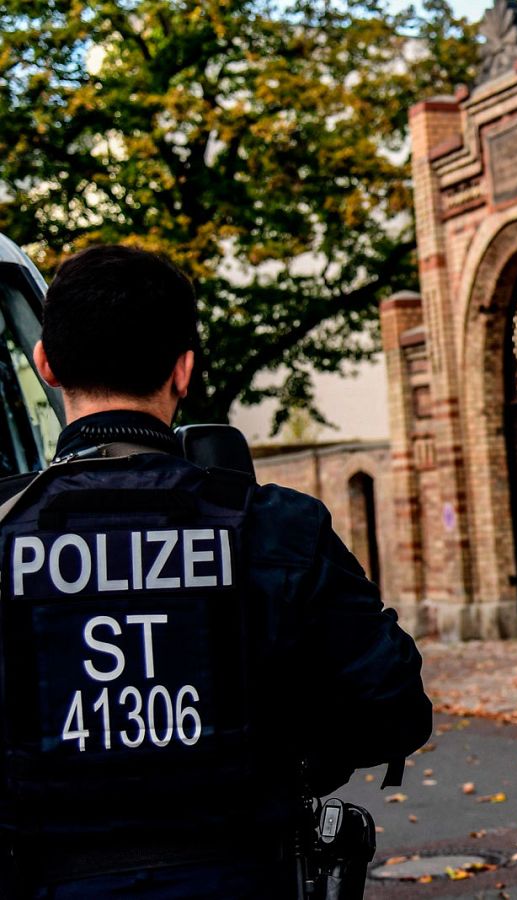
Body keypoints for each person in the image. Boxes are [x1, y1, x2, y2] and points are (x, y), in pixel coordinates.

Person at [0, 245, 432, 898]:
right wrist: (291, 759)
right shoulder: (275, 528)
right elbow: (394, 707)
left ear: (46, 364)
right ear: (184, 370)